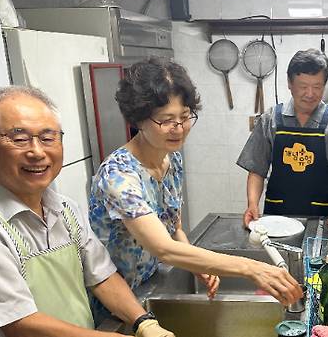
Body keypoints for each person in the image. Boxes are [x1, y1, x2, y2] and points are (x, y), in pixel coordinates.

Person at [88, 57, 302, 316]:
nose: (178, 129)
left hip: (149, 286)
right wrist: (251, 268)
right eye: (166, 120)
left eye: (185, 116)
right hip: (115, 303)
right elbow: (162, 248)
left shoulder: (170, 158)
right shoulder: (119, 175)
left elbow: (173, 226)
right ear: (138, 119)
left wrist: (197, 264)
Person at [0, 86, 174, 337]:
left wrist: (144, 322)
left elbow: (103, 277)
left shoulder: (65, 210)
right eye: (20, 139)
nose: (37, 152)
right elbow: (19, 322)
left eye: (47, 138)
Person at [236, 48, 328, 229]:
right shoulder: (271, 119)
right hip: (277, 219)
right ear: (290, 83)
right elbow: (257, 169)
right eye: (303, 86)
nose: (310, 94)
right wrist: (252, 204)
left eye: (317, 87)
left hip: (325, 222)